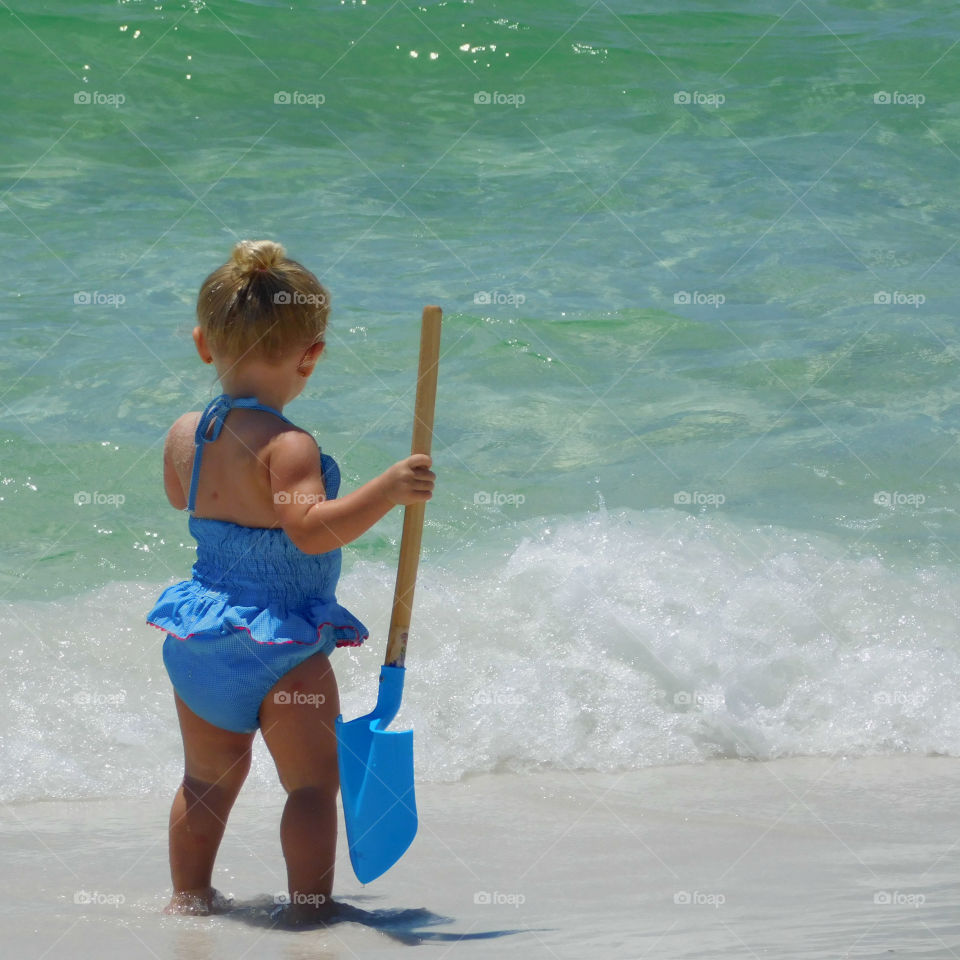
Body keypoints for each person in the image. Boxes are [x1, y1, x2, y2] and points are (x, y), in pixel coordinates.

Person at [146, 239, 435, 921]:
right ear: (312, 354)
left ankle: (189, 899)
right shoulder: (289, 444)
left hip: (201, 636)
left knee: (206, 779)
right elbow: (309, 529)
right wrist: (389, 491)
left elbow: (176, 494)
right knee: (311, 786)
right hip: (282, 644)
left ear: (202, 344)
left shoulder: (187, 431)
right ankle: (310, 910)